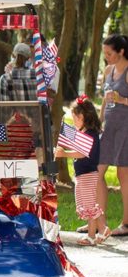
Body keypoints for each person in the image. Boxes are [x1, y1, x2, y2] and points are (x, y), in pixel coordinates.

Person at [55, 96, 107, 245]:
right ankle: (102, 229)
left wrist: (64, 154)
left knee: (90, 206)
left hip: (88, 174)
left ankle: (92, 236)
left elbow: (82, 153)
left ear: (82, 117)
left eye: (74, 118)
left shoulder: (90, 134)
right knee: (87, 204)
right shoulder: (85, 133)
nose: (73, 121)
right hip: (83, 175)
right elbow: (78, 149)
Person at [97, 34, 128, 237]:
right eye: (104, 53)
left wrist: (122, 99)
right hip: (108, 128)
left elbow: (119, 99)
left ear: (121, 51)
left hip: (125, 127)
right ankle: (99, 222)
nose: (106, 57)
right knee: (97, 172)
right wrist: (97, 123)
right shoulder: (108, 70)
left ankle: (126, 224)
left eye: (109, 53)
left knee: (123, 174)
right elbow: (105, 102)